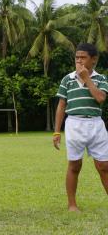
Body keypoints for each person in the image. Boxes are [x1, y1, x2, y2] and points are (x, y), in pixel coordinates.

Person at [53, 43, 108, 212]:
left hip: (96, 124)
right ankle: (72, 205)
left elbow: (100, 98)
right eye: (77, 57)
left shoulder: (101, 79)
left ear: (94, 60)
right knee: (74, 165)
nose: (79, 61)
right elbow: (61, 106)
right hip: (74, 124)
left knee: (104, 166)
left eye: (83, 57)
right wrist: (56, 131)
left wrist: (87, 79)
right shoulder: (67, 79)